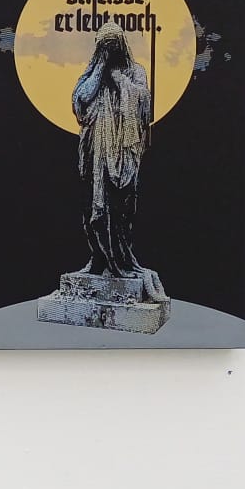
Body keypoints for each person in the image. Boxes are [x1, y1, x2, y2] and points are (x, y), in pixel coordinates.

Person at [71, 23, 166, 300]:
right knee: (93, 209)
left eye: (114, 44)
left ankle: (122, 261)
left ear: (122, 45)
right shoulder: (92, 74)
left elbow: (144, 104)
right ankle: (98, 259)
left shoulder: (136, 72)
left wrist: (121, 82)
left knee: (121, 208)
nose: (110, 50)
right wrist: (101, 69)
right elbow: (81, 99)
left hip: (124, 154)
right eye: (104, 45)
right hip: (95, 154)